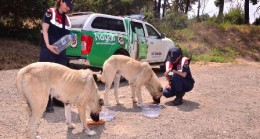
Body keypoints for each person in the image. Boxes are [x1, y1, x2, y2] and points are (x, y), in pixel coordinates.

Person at [39, 0, 74, 112]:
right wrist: (48, 45)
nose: (68, 7)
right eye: (67, 5)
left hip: (61, 53)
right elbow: (44, 30)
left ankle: (57, 98)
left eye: (70, 6)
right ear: (61, 2)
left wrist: (72, 39)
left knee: (59, 76)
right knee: (47, 76)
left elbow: (66, 38)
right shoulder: (50, 12)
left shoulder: (68, 19)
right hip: (48, 50)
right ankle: (46, 101)